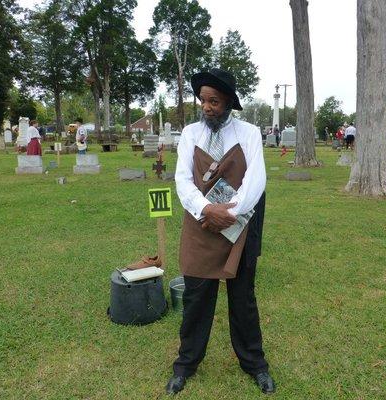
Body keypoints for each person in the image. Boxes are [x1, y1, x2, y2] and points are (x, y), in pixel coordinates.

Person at [167, 68, 275, 395]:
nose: (207, 106)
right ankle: (185, 364)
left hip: (238, 229)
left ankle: (255, 364)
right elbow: (182, 180)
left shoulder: (250, 133)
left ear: (228, 101)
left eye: (214, 100)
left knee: (243, 301)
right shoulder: (189, 134)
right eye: (203, 100)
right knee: (197, 301)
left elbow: (256, 179)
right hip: (200, 227)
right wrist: (206, 210)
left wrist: (231, 212)